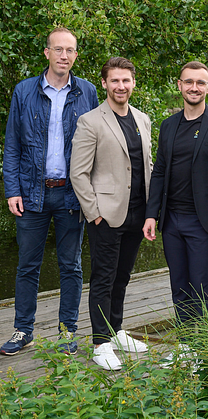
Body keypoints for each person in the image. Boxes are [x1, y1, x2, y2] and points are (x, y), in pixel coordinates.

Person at [1, 28, 98, 356]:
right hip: (31, 193)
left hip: (71, 194)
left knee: (71, 266)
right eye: (58, 50)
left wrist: (92, 195)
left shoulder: (87, 92)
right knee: (28, 264)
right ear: (46, 53)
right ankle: (22, 330)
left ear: (75, 55)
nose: (64, 56)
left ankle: (67, 331)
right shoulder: (24, 91)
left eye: (70, 50)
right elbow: (12, 144)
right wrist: (12, 189)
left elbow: (97, 145)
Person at [70, 57, 152, 371]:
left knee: (123, 277)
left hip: (137, 213)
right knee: (102, 279)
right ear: (104, 83)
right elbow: (78, 173)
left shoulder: (143, 119)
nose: (121, 86)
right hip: (106, 215)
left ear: (133, 83)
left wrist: (153, 209)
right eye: (114, 81)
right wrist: (94, 214)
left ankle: (116, 332)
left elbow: (146, 166)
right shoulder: (91, 121)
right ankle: (100, 343)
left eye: (126, 81)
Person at [143, 62, 208, 354]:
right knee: (179, 288)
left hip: (204, 222)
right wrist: (151, 214)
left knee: (204, 290)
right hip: (171, 220)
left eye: (200, 83)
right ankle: (187, 347)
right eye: (188, 82)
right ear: (179, 85)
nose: (194, 87)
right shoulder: (168, 125)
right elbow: (159, 172)